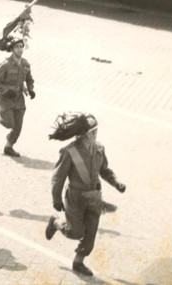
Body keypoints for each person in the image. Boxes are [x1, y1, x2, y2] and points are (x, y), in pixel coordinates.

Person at [45, 113, 126, 277]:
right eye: (92, 132)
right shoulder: (70, 152)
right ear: (82, 134)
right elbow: (58, 177)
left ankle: (78, 262)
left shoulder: (99, 149)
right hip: (75, 197)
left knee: (91, 233)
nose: (95, 135)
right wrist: (56, 199)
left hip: (94, 198)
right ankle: (56, 222)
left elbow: (104, 170)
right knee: (75, 232)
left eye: (96, 131)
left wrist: (116, 182)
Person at [0, 35, 35, 157]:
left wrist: (31, 89)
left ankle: (8, 147)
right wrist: (6, 90)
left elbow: (29, 79)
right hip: (5, 99)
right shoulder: (5, 64)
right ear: (12, 49)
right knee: (9, 123)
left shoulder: (25, 64)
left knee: (18, 126)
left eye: (21, 46)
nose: (20, 49)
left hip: (19, 99)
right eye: (17, 47)